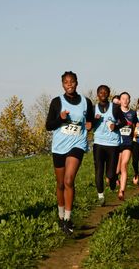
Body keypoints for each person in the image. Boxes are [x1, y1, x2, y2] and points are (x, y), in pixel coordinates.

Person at [46, 71, 93, 235]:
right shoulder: (56, 102)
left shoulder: (86, 102)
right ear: (62, 85)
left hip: (77, 143)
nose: (69, 84)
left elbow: (90, 120)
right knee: (60, 184)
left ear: (76, 83)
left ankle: (67, 219)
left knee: (69, 180)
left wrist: (90, 125)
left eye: (72, 82)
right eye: (66, 82)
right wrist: (60, 118)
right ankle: (60, 217)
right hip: (59, 146)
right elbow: (49, 125)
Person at [93, 85, 127, 206]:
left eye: (105, 92)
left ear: (109, 94)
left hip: (113, 144)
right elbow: (89, 124)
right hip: (98, 143)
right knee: (99, 170)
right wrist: (94, 121)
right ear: (97, 94)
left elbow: (124, 122)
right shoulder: (93, 108)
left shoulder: (115, 108)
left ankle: (113, 181)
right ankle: (100, 196)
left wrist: (115, 126)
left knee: (111, 173)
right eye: (100, 92)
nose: (103, 94)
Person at [116, 92, 138, 200]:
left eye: (127, 98)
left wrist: (135, 132)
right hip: (116, 143)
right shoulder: (115, 112)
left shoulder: (133, 113)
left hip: (128, 143)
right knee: (116, 170)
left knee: (124, 165)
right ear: (120, 100)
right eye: (123, 98)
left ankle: (122, 191)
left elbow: (135, 125)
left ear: (129, 100)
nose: (125, 100)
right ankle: (115, 179)